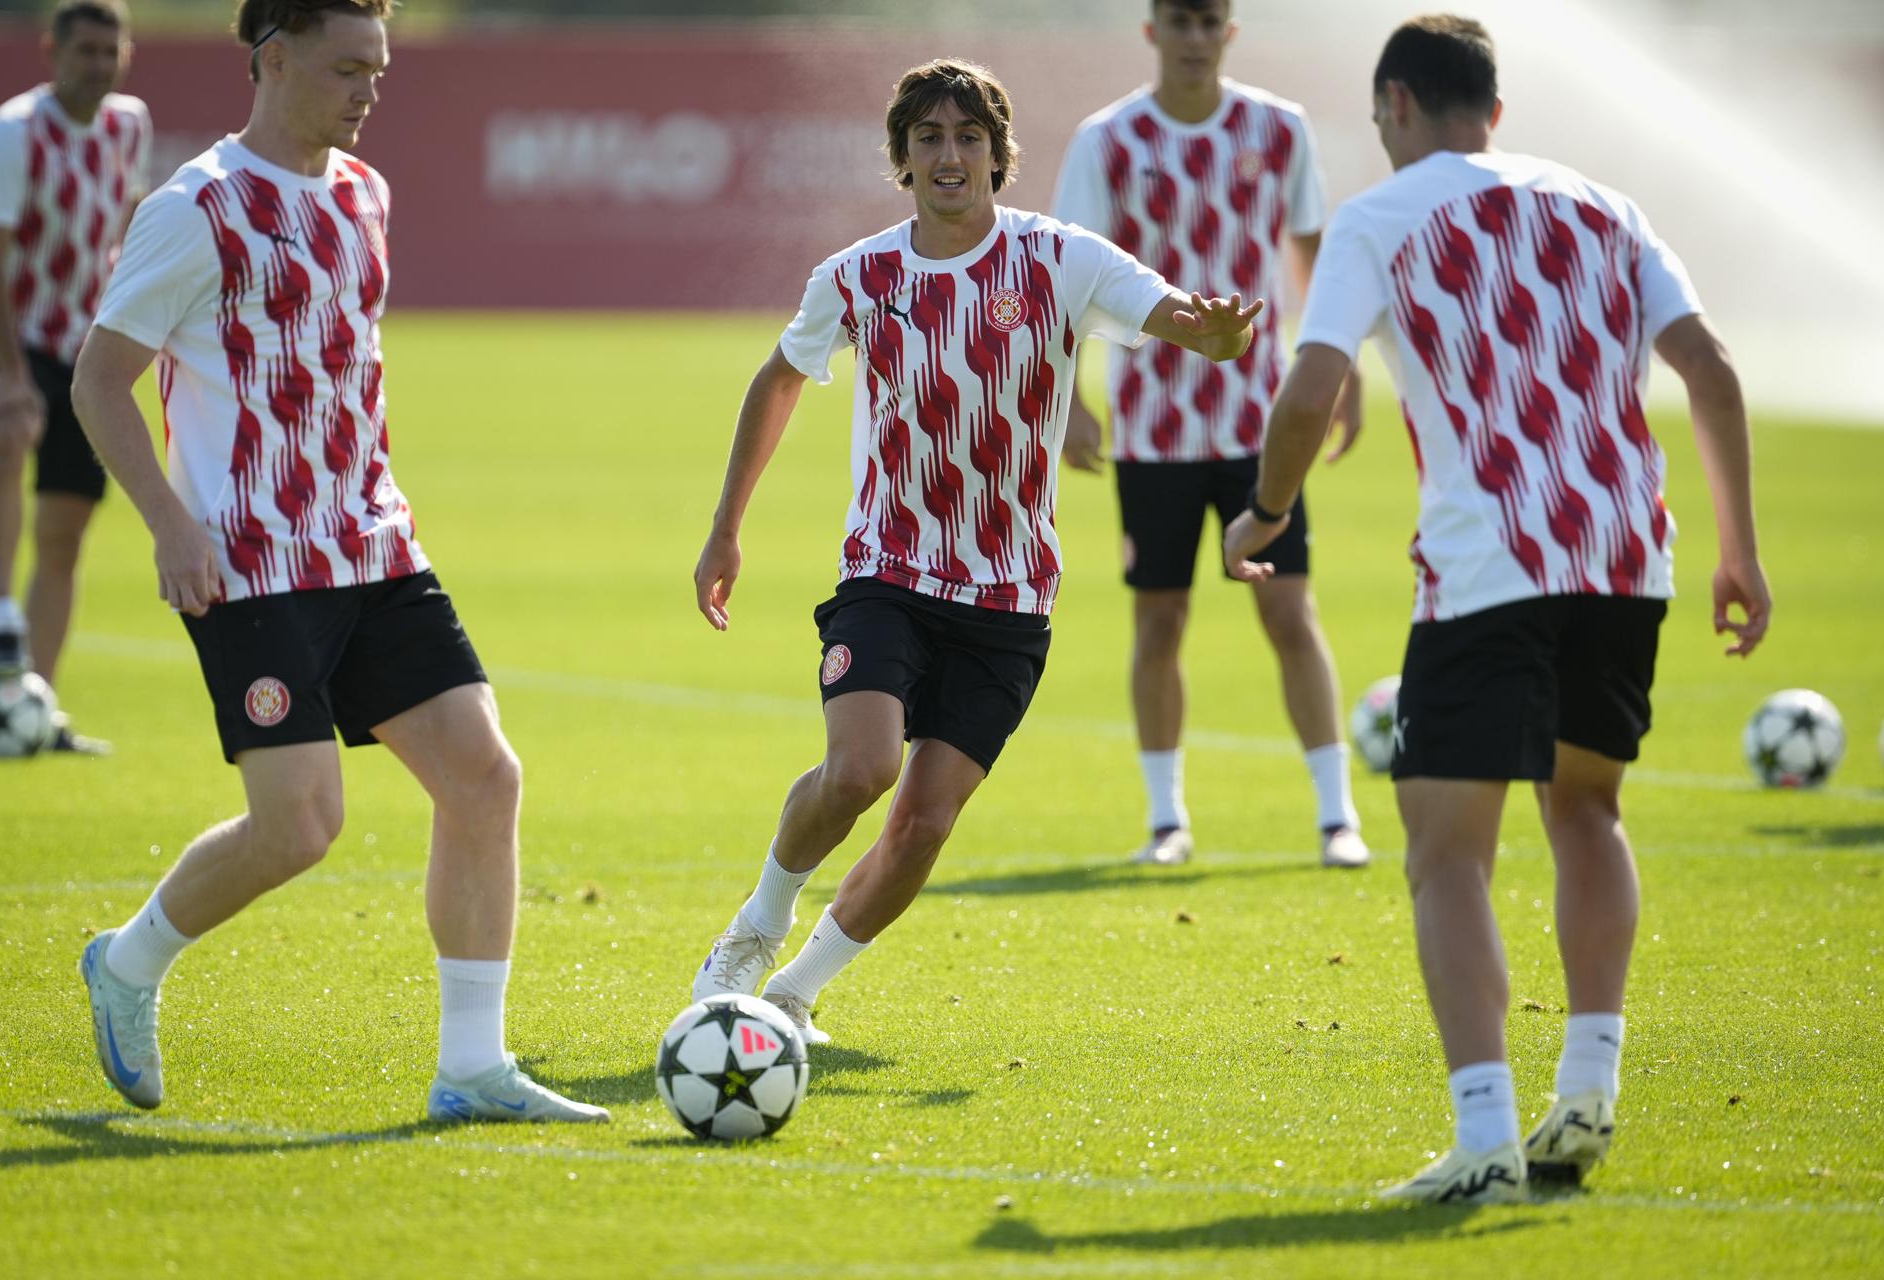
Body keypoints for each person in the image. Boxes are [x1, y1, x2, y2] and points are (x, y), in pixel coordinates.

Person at [1223, 15, 1770, 1202]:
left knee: (1444, 851)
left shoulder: (1384, 215)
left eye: (1381, 123)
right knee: (1587, 808)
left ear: (1401, 106)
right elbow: (1711, 368)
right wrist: (1739, 551)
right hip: (1629, 556)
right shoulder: (1605, 205)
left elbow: (1314, 379)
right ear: (1498, 111)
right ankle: (1588, 1089)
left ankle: (1484, 1136)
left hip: (1491, 569)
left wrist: (1264, 510)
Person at [68, 0, 606, 1125]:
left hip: (375, 544)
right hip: (249, 564)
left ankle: (471, 1067)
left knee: (485, 778)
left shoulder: (366, 193)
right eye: (347, 67)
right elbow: (97, 379)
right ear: (272, 60)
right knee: (300, 826)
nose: (370, 89)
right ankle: (126, 961)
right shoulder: (195, 210)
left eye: (381, 68)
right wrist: (170, 522)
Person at [688, 57, 1268, 1044]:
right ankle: (755, 927)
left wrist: (1211, 339)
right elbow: (779, 380)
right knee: (863, 767)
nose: (949, 155)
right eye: (928, 140)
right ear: (902, 161)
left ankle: (794, 992)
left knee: (924, 822)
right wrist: (726, 524)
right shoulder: (859, 275)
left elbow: (1170, 314)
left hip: (1010, 599)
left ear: (999, 158)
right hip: (891, 573)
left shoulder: (1059, 258)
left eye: (968, 139)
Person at [1050, 0, 1369, 870]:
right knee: (1160, 621)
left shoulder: (1278, 127)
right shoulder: (1107, 141)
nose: (1194, 36)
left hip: (1260, 423)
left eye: (1209, 20)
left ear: (1229, 30)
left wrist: (1337, 368)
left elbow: (1312, 255)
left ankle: (1337, 816)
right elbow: (1066, 271)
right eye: (1179, 20)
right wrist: (1069, 396)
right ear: (1152, 29)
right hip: (1153, 426)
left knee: (1288, 609)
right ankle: (1166, 821)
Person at [0, 0, 150, 752]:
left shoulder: (129, 123)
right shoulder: (15, 132)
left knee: (67, 528)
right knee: (10, 436)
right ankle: (4, 619)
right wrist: (10, 372)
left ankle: (37, 706)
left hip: (85, 346)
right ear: (52, 51)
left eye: (112, 51)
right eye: (86, 51)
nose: (100, 65)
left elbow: (129, 228)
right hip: (16, 332)